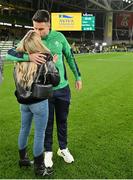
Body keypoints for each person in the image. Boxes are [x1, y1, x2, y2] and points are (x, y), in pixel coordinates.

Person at [6, 10, 82, 169]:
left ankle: (63, 148)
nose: (37, 32)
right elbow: (10, 54)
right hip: (43, 91)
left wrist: (78, 77)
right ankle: (48, 152)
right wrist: (29, 57)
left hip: (62, 88)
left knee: (62, 120)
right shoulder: (31, 38)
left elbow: (69, 57)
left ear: (49, 26)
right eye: (34, 28)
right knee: (46, 123)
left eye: (41, 29)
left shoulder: (59, 38)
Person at [8, 30, 59, 176]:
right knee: (39, 134)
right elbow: (55, 80)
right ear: (36, 42)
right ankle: (39, 168)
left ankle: (23, 160)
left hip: (23, 101)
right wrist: (52, 64)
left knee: (24, 129)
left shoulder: (19, 59)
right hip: (39, 102)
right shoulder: (45, 56)